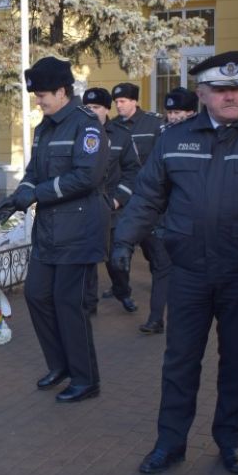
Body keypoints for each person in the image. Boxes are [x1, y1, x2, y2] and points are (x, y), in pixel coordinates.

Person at [111, 51, 238, 475]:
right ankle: (170, 442)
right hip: (189, 273)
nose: (232, 96)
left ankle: (231, 441)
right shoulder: (174, 139)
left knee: (236, 361)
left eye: (237, 88)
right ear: (201, 94)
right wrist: (124, 239)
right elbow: (148, 196)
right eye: (221, 90)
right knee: (180, 361)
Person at [0, 57, 109, 403]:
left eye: (42, 96)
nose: (38, 102)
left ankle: (85, 379)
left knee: (69, 304)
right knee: (37, 295)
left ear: (61, 92)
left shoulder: (86, 125)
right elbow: (33, 172)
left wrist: (37, 194)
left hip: (79, 230)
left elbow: (86, 177)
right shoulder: (45, 128)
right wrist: (19, 197)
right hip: (49, 231)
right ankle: (60, 365)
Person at [108, 83, 171, 332]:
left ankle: (158, 308)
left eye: (123, 101)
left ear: (135, 101)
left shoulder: (154, 124)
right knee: (118, 252)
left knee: (156, 256)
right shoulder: (112, 127)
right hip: (124, 201)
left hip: (150, 201)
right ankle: (122, 290)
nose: (119, 105)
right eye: (116, 102)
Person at [81, 86, 140, 315]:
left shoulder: (121, 135)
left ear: (107, 109)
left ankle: (123, 292)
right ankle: (89, 304)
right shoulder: (77, 133)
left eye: (96, 107)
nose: (91, 111)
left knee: (116, 261)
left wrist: (117, 200)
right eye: (87, 107)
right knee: (87, 260)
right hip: (84, 208)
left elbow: (133, 171)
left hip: (112, 209)